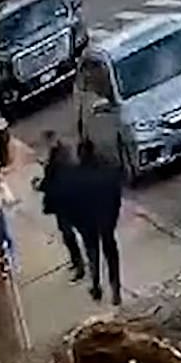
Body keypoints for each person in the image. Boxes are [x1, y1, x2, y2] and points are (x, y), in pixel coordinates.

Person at [76, 138, 123, 306]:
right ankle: (115, 289)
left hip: (90, 222)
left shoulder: (79, 176)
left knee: (93, 254)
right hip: (106, 219)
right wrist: (113, 216)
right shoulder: (105, 169)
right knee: (111, 253)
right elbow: (115, 194)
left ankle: (96, 286)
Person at [37, 131, 86, 282]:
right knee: (68, 233)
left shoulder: (59, 159)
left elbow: (54, 180)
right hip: (65, 202)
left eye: (47, 142)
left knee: (69, 233)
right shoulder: (61, 155)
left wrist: (41, 185)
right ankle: (77, 261)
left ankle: (80, 266)